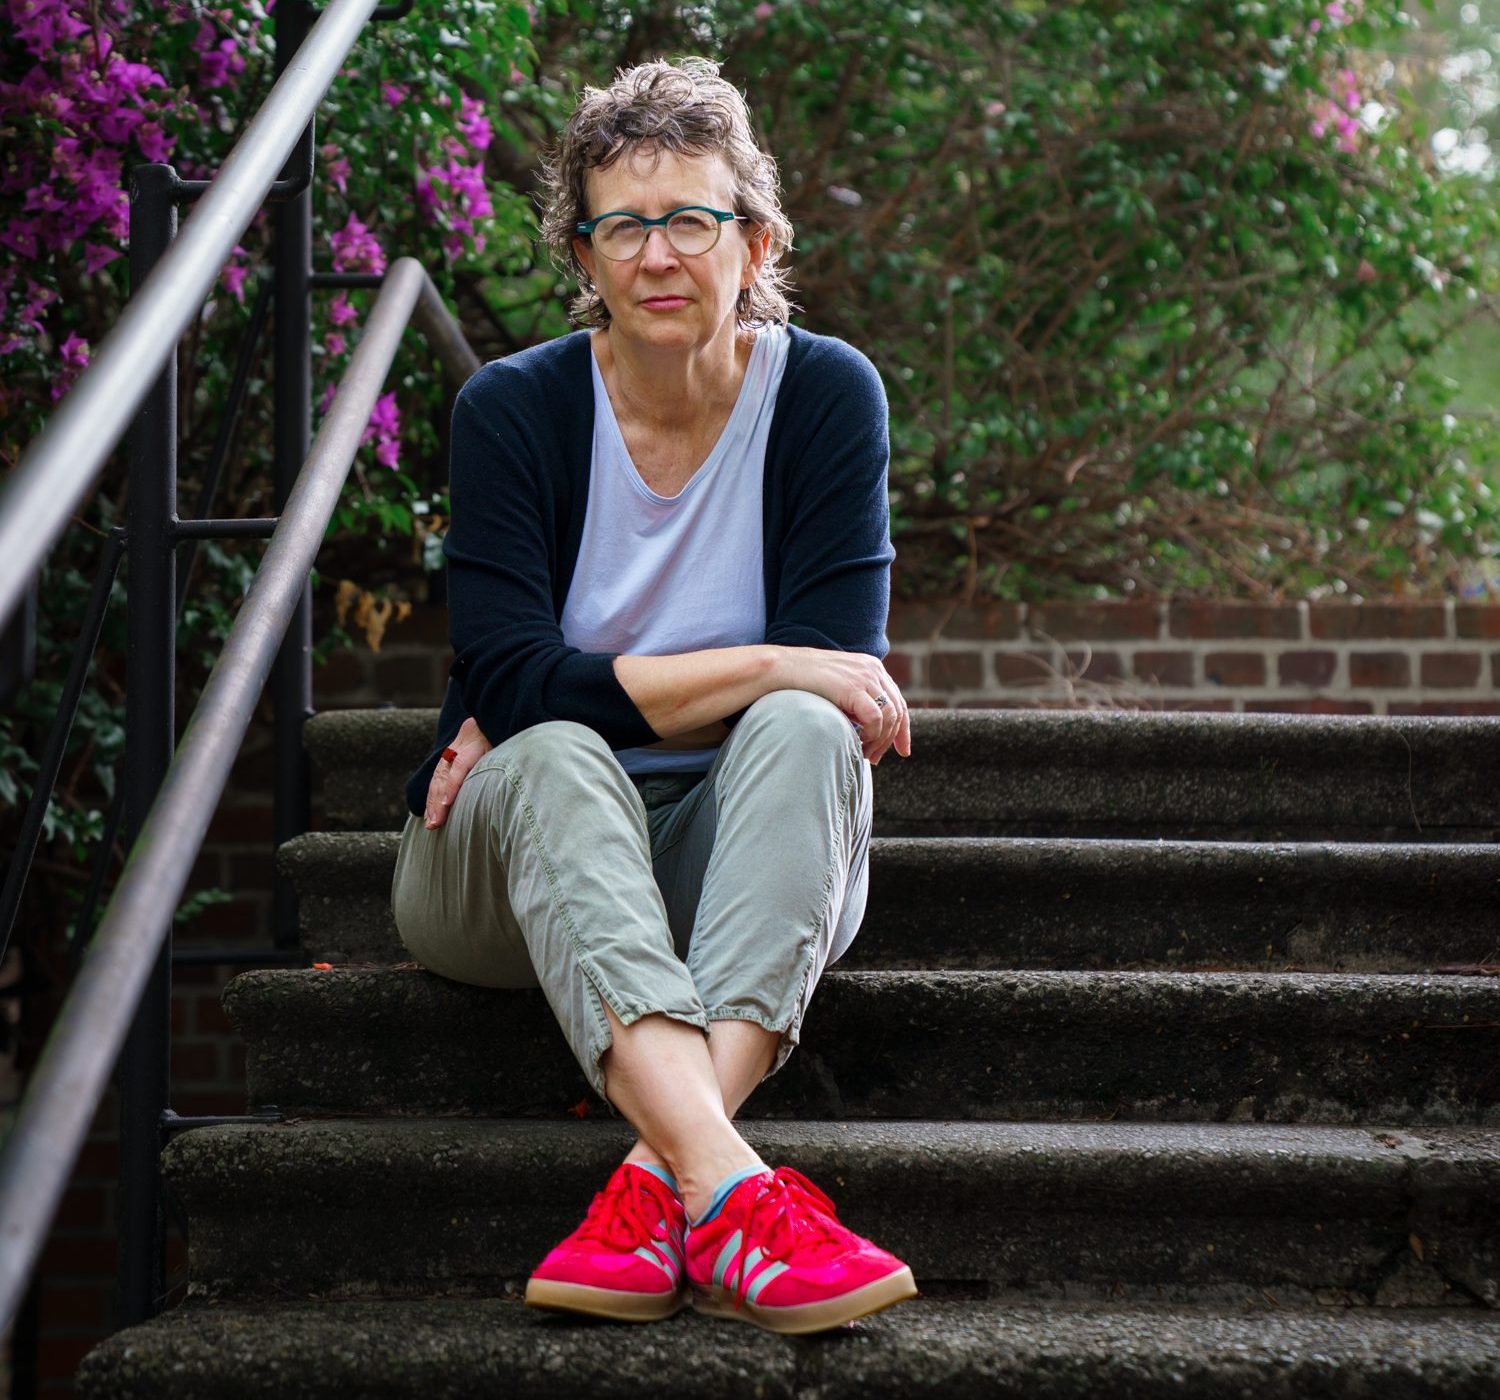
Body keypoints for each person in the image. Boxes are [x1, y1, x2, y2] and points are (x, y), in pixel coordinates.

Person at [389, 56, 915, 1335]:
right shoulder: (512, 411)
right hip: (511, 866)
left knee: (799, 726)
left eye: (692, 217)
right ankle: (741, 1189)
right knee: (563, 746)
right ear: (585, 250)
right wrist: (771, 658)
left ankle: (658, 1183)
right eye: (622, 224)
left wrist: (778, 680)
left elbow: (832, 690)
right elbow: (517, 682)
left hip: (738, 859)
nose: (658, 254)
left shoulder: (827, 397)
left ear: (757, 238)